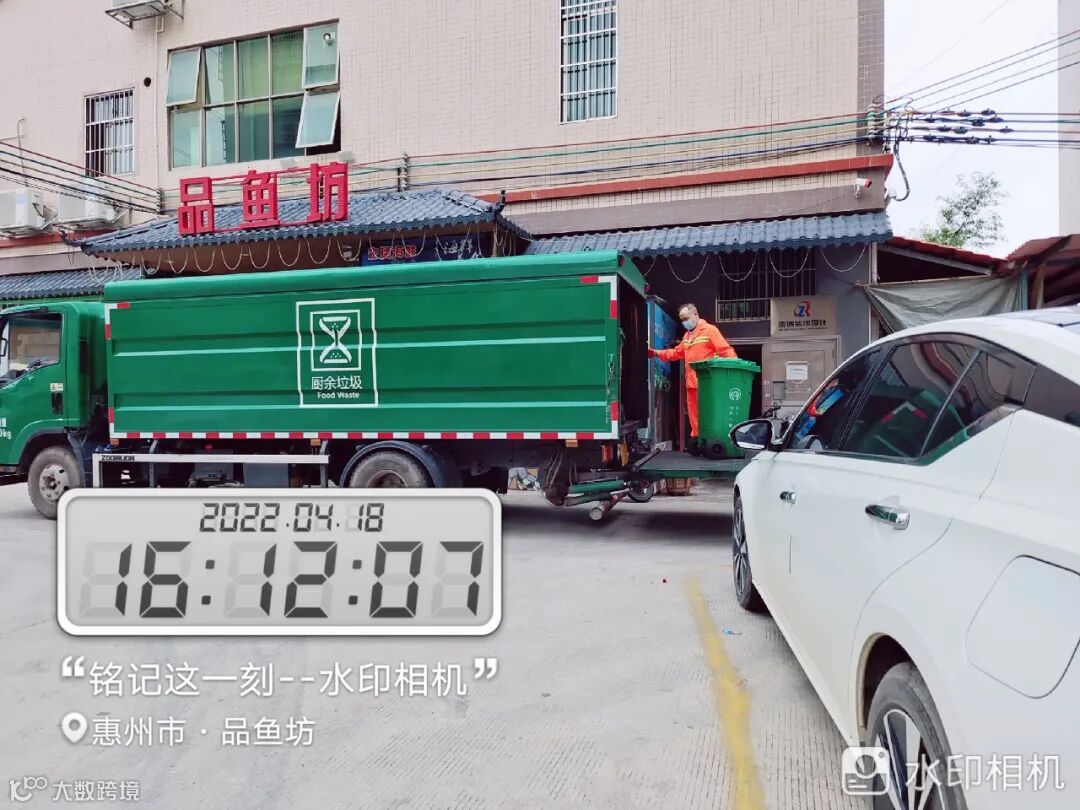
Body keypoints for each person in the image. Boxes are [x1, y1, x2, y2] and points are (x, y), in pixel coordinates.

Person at [648, 303, 737, 441]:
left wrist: (735, 371)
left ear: (696, 314)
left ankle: (713, 439)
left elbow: (726, 351)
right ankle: (698, 438)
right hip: (692, 383)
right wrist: (656, 353)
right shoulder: (687, 336)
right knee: (694, 414)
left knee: (709, 413)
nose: (684, 322)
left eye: (686, 318)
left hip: (708, 383)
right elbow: (676, 353)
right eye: (682, 320)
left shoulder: (710, 330)